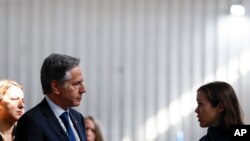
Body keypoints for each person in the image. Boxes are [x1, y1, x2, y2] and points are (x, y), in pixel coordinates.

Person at [15, 53, 87, 141]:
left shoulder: (78, 118)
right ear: (56, 87)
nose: (83, 90)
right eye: (76, 84)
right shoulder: (31, 122)